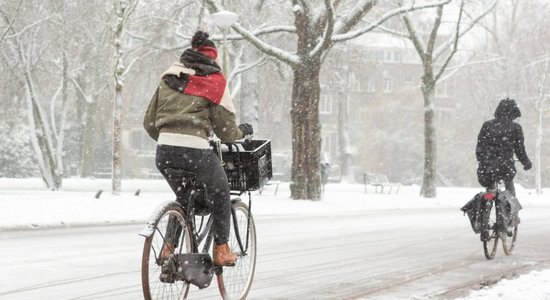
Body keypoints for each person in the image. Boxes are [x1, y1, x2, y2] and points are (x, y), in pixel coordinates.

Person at [143, 31, 253, 266]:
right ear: (213, 58)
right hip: (195, 151)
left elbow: (149, 122)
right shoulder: (214, 81)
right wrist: (242, 132)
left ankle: (168, 248)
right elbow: (226, 132)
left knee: (184, 196)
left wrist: (169, 137)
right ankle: (222, 250)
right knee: (222, 192)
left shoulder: (169, 77)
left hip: (164, 151)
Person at [476, 98, 532, 196]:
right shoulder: (515, 128)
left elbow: (480, 147)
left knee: (489, 188)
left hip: (487, 167)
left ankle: (487, 202)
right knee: (509, 185)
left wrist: (483, 161)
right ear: (512, 113)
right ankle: (511, 208)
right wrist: (526, 163)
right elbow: (520, 150)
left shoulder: (487, 125)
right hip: (505, 166)